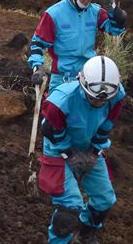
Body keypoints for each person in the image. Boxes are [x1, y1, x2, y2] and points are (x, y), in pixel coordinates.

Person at [39, 56, 125, 244]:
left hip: (88, 145)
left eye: (103, 100)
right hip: (57, 147)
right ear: (83, 84)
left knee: (104, 200)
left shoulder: (116, 96)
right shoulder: (60, 101)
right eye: (93, 98)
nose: (98, 103)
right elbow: (51, 131)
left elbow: (107, 125)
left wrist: (94, 152)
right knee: (69, 207)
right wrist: (69, 154)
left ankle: (85, 234)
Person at [28, 0, 126, 91]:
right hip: (62, 79)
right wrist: (38, 67)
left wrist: (110, 4)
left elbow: (116, 29)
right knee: (55, 110)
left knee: (117, 96)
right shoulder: (54, 14)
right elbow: (37, 43)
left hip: (90, 77)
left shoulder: (95, 12)